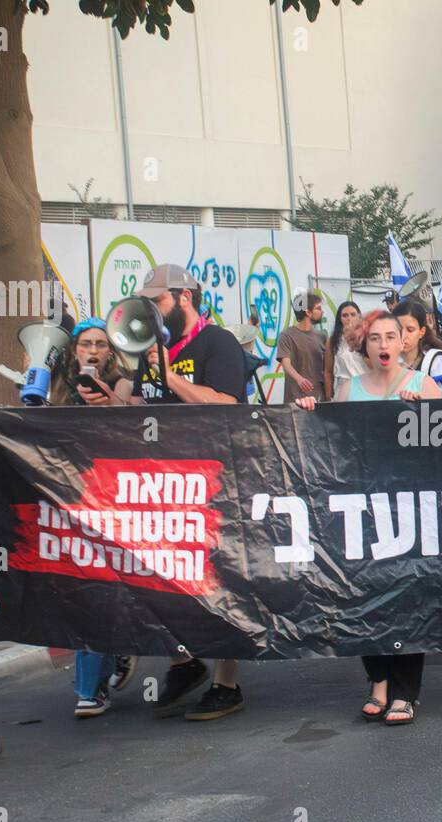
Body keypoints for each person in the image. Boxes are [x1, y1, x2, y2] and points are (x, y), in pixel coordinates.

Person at [293, 310, 442, 725]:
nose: (383, 344)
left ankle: (405, 692)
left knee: (408, 598)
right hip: (360, 510)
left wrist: (428, 412)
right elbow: (325, 443)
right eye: (374, 338)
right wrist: (309, 410)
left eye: (390, 337)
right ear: (364, 346)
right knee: (361, 594)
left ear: (403, 343)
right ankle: (377, 679)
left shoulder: (423, 385)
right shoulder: (346, 390)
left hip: (410, 511)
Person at [129, 264, 250, 720]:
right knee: (161, 575)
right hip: (163, 479)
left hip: (216, 476)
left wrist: (170, 374)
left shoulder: (217, 342)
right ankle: (184, 661)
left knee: (223, 578)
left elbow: (228, 404)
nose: (151, 312)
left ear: (183, 298)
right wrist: (111, 398)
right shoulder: (151, 349)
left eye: (156, 302)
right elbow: (143, 407)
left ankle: (227, 683)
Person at [49, 317, 139, 717]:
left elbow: (124, 418)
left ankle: (101, 673)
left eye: (101, 344)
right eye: (86, 343)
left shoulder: (121, 382)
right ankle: (92, 682)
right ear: (74, 350)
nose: (94, 350)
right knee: (84, 587)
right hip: (68, 498)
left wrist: (106, 398)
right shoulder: (55, 384)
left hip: (113, 497)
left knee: (108, 586)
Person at [393, 298, 442, 397]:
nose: (403, 336)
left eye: (410, 330)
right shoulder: (389, 362)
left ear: (421, 332)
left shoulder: (436, 362)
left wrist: (425, 398)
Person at [277, 292, 327, 403]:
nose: (322, 312)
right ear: (308, 312)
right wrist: (299, 379)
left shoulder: (322, 336)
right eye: (318, 308)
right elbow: (286, 365)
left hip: (319, 399)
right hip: (296, 400)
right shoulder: (286, 335)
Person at [323, 300, 365, 401]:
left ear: (359, 316)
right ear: (340, 319)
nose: (349, 318)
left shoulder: (367, 338)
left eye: (353, 314)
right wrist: (329, 398)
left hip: (364, 388)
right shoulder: (333, 341)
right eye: (345, 315)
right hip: (343, 390)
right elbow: (328, 371)